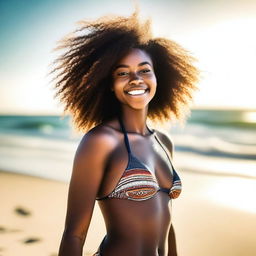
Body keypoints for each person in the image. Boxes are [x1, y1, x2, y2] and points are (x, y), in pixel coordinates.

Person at [52, 11, 198, 256]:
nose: (135, 79)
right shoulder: (100, 142)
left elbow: (167, 223)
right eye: (122, 73)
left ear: (157, 76)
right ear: (110, 83)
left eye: (144, 70)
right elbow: (74, 234)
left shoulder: (163, 142)